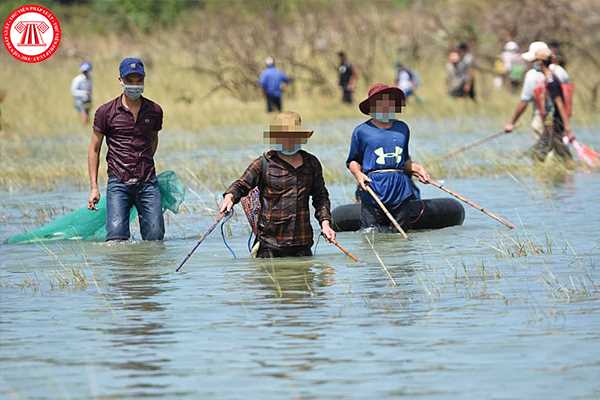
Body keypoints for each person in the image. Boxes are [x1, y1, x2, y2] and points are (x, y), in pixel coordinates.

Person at [219, 111, 335, 258]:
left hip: (302, 244)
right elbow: (241, 185)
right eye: (284, 137)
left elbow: (321, 197)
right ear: (277, 138)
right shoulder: (263, 163)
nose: (288, 141)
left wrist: (325, 224)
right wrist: (229, 197)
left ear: (300, 137)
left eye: (292, 137)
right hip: (269, 246)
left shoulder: (311, 163)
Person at [87, 57, 165, 241]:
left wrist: (141, 163)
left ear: (144, 79)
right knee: (116, 237)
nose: (135, 85)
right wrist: (94, 188)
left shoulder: (154, 111)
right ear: (121, 80)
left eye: (139, 80)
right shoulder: (105, 112)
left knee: (155, 237)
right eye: (130, 80)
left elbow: (153, 139)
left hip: (148, 184)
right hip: (118, 184)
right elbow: (94, 149)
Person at [346, 83, 431, 232]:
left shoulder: (402, 128)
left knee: (401, 234)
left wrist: (418, 169)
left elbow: (403, 161)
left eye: (390, 103)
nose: (386, 106)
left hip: (400, 189)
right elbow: (353, 161)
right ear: (372, 107)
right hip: (373, 188)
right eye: (381, 103)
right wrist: (359, 174)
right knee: (371, 233)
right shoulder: (361, 131)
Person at [504, 42, 574, 162]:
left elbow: (559, 103)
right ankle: (568, 169)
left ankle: (564, 171)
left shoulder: (551, 80)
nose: (533, 63)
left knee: (540, 154)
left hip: (552, 123)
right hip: (551, 123)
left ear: (541, 63)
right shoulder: (554, 75)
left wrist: (567, 127)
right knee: (559, 153)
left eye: (535, 61)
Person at [71, 61, 93, 125]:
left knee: (88, 117)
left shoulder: (90, 79)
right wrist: (84, 93)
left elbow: (90, 89)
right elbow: (73, 92)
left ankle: (85, 128)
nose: (86, 73)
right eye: (84, 71)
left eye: (87, 71)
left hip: (87, 100)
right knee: (84, 116)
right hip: (80, 101)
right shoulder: (78, 79)